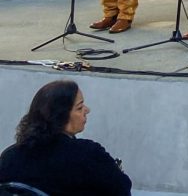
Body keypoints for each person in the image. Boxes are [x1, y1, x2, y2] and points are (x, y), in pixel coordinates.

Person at [0, 79, 131, 196]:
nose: (87, 110)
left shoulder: (9, 157)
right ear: (60, 116)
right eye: (79, 108)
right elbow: (122, 190)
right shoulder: (87, 154)